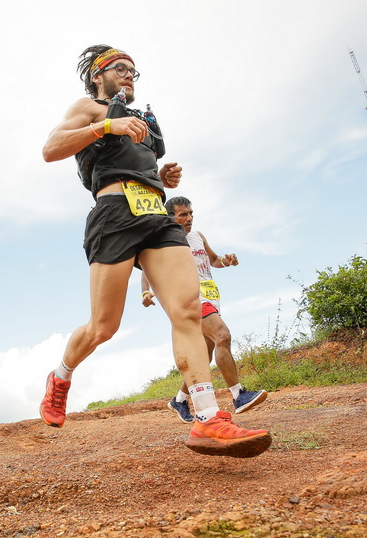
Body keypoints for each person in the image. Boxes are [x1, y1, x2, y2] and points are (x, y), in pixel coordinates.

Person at [39, 44, 271, 458]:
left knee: (186, 311)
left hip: (156, 214)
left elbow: (137, 164)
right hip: (114, 214)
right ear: (98, 75)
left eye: (134, 71)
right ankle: (60, 377)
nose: (129, 75)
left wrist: (160, 176)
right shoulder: (90, 108)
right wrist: (104, 128)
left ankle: (206, 418)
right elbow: (51, 148)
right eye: (121, 69)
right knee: (103, 327)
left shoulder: (143, 121)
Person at [142, 196, 268, 423]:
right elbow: (146, 267)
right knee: (223, 335)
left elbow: (213, 260)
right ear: (170, 217)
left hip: (211, 296)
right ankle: (239, 395)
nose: (189, 218)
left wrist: (226, 261)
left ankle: (179, 400)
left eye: (190, 213)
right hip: (191, 298)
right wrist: (146, 292)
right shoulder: (165, 240)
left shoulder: (197, 236)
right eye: (183, 214)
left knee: (204, 354)